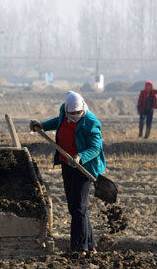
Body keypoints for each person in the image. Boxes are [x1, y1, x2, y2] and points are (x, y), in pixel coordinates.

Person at [30, 91, 105, 256]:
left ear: (82, 109)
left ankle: (79, 248)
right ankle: (90, 244)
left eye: (77, 114)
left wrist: (80, 156)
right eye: (71, 114)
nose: (73, 117)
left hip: (84, 168)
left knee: (78, 207)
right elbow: (58, 122)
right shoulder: (64, 111)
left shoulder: (91, 123)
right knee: (76, 207)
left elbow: (95, 148)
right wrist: (42, 125)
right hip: (67, 164)